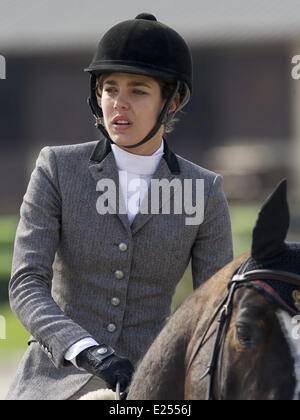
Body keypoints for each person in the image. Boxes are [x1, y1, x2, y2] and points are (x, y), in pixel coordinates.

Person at [6, 13, 233, 400]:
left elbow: (216, 310)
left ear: (172, 100)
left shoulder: (204, 190)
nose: (119, 104)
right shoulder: (57, 169)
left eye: (138, 91)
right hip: (56, 378)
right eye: (110, 90)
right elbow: (26, 285)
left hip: (155, 383)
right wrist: (88, 351)